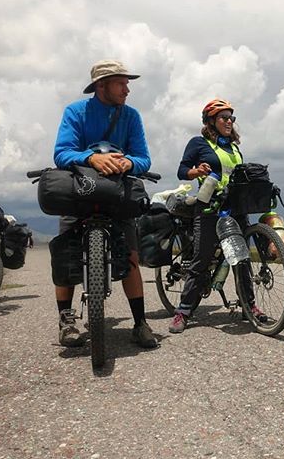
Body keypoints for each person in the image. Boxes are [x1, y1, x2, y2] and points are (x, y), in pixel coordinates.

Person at [53, 59, 157, 349]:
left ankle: (139, 323)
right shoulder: (75, 112)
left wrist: (127, 162)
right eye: (121, 84)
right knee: (66, 255)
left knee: (131, 257)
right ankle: (67, 321)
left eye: (127, 84)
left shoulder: (131, 116)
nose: (127, 90)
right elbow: (61, 153)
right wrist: (90, 158)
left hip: (116, 190)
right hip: (79, 191)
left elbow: (143, 158)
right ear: (102, 85)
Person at [169, 98, 267, 333]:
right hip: (209, 207)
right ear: (211, 121)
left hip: (235, 208)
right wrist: (196, 171)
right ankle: (183, 311)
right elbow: (182, 170)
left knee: (241, 259)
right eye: (224, 118)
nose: (229, 122)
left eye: (232, 118)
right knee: (201, 260)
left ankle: (249, 306)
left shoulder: (234, 148)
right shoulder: (198, 143)